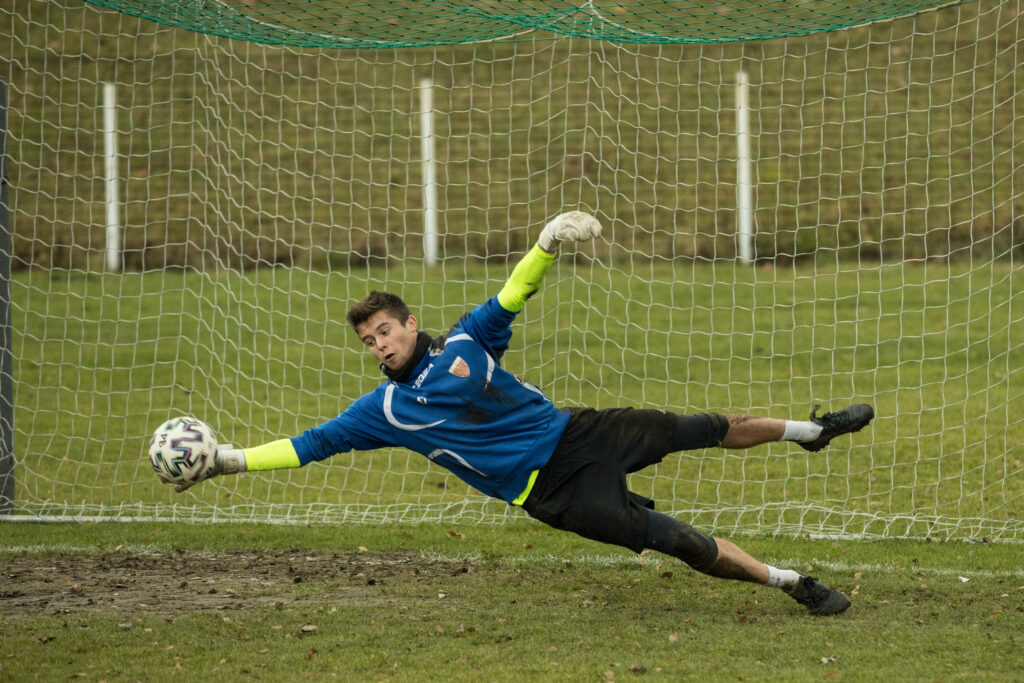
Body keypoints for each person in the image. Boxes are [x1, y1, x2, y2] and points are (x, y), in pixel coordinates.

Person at [165, 211, 874, 616]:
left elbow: (512, 296)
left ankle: (814, 431)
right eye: (368, 340)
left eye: (385, 330)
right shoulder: (384, 410)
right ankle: (794, 584)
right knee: (677, 540)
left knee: (709, 427)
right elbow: (309, 444)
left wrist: (545, 242)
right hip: (555, 491)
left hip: (583, 430)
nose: (379, 345)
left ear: (411, 322)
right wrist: (229, 460)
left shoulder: (470, 339)